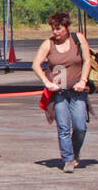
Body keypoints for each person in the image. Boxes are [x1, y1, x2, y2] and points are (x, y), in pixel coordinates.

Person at [31, 12, 92, 174]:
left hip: (77, 90)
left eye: (58, 29)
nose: (55, 32)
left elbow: (87, 61)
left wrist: (83, 81)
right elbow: (36, 65)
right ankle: (68, 159)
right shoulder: (48, 44)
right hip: (58, 93)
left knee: (80, 126)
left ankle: (74, 150)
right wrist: (47, 83)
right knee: (63, 127)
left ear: (66, 28)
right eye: (53, 29)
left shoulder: (78, 39)